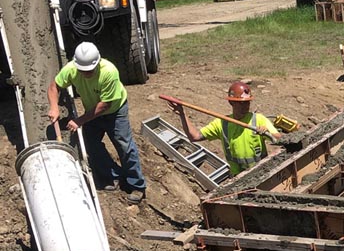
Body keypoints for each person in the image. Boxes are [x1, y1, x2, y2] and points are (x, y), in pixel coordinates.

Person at [47, 42, 147, 204]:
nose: (86, 73)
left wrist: (80, 120)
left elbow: (105, 105)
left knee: (124, 145)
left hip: (115, 111)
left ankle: (137, 185)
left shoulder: (109, 72)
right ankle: (112, 175)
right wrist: (54, 107)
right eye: (82, 70)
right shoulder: (71, 69)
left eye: (89, 70)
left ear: (97, 63)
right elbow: (54, 86)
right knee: (90, 144)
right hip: (93, 111)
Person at [167, 80, 280, 176]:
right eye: (240, 103)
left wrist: (267, 132)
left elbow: (278, 138)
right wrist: (182, 114)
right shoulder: (222, 123)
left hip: (261, 172)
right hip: (238, 177)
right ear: (231, 102)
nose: (245, 106)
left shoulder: (258, 119)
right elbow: (194, 137)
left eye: (247, 103)